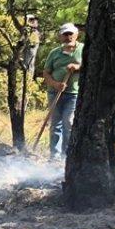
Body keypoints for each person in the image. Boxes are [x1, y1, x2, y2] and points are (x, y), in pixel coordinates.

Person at [41, 22, 84, 160]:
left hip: (74, 94)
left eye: (70, 34)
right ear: (60, 36)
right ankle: (54, 156)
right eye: (65, 34)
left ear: (76, 35)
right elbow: (46, 73)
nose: (68, 37)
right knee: (55, 124)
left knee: (68, 122)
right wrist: (55, 84)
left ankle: (66, 156)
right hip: (54, 93)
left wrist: (77, 67)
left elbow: (91, 65)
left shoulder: (83, 49)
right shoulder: (54, 53)